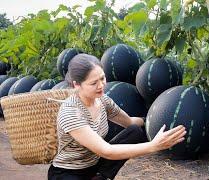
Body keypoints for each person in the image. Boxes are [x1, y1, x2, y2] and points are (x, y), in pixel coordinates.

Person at [47, 54, 186, 180]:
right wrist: (153, 145)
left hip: (94, 165)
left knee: (135, 131)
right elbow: (106, 151)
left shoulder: (103, 101)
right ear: (77, 85)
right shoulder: (71, 112)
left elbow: (130, 122)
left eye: (102, 78)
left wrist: (151, 120)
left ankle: (101, 177)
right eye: (93, 83)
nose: (101, 85)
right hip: (68, 173)